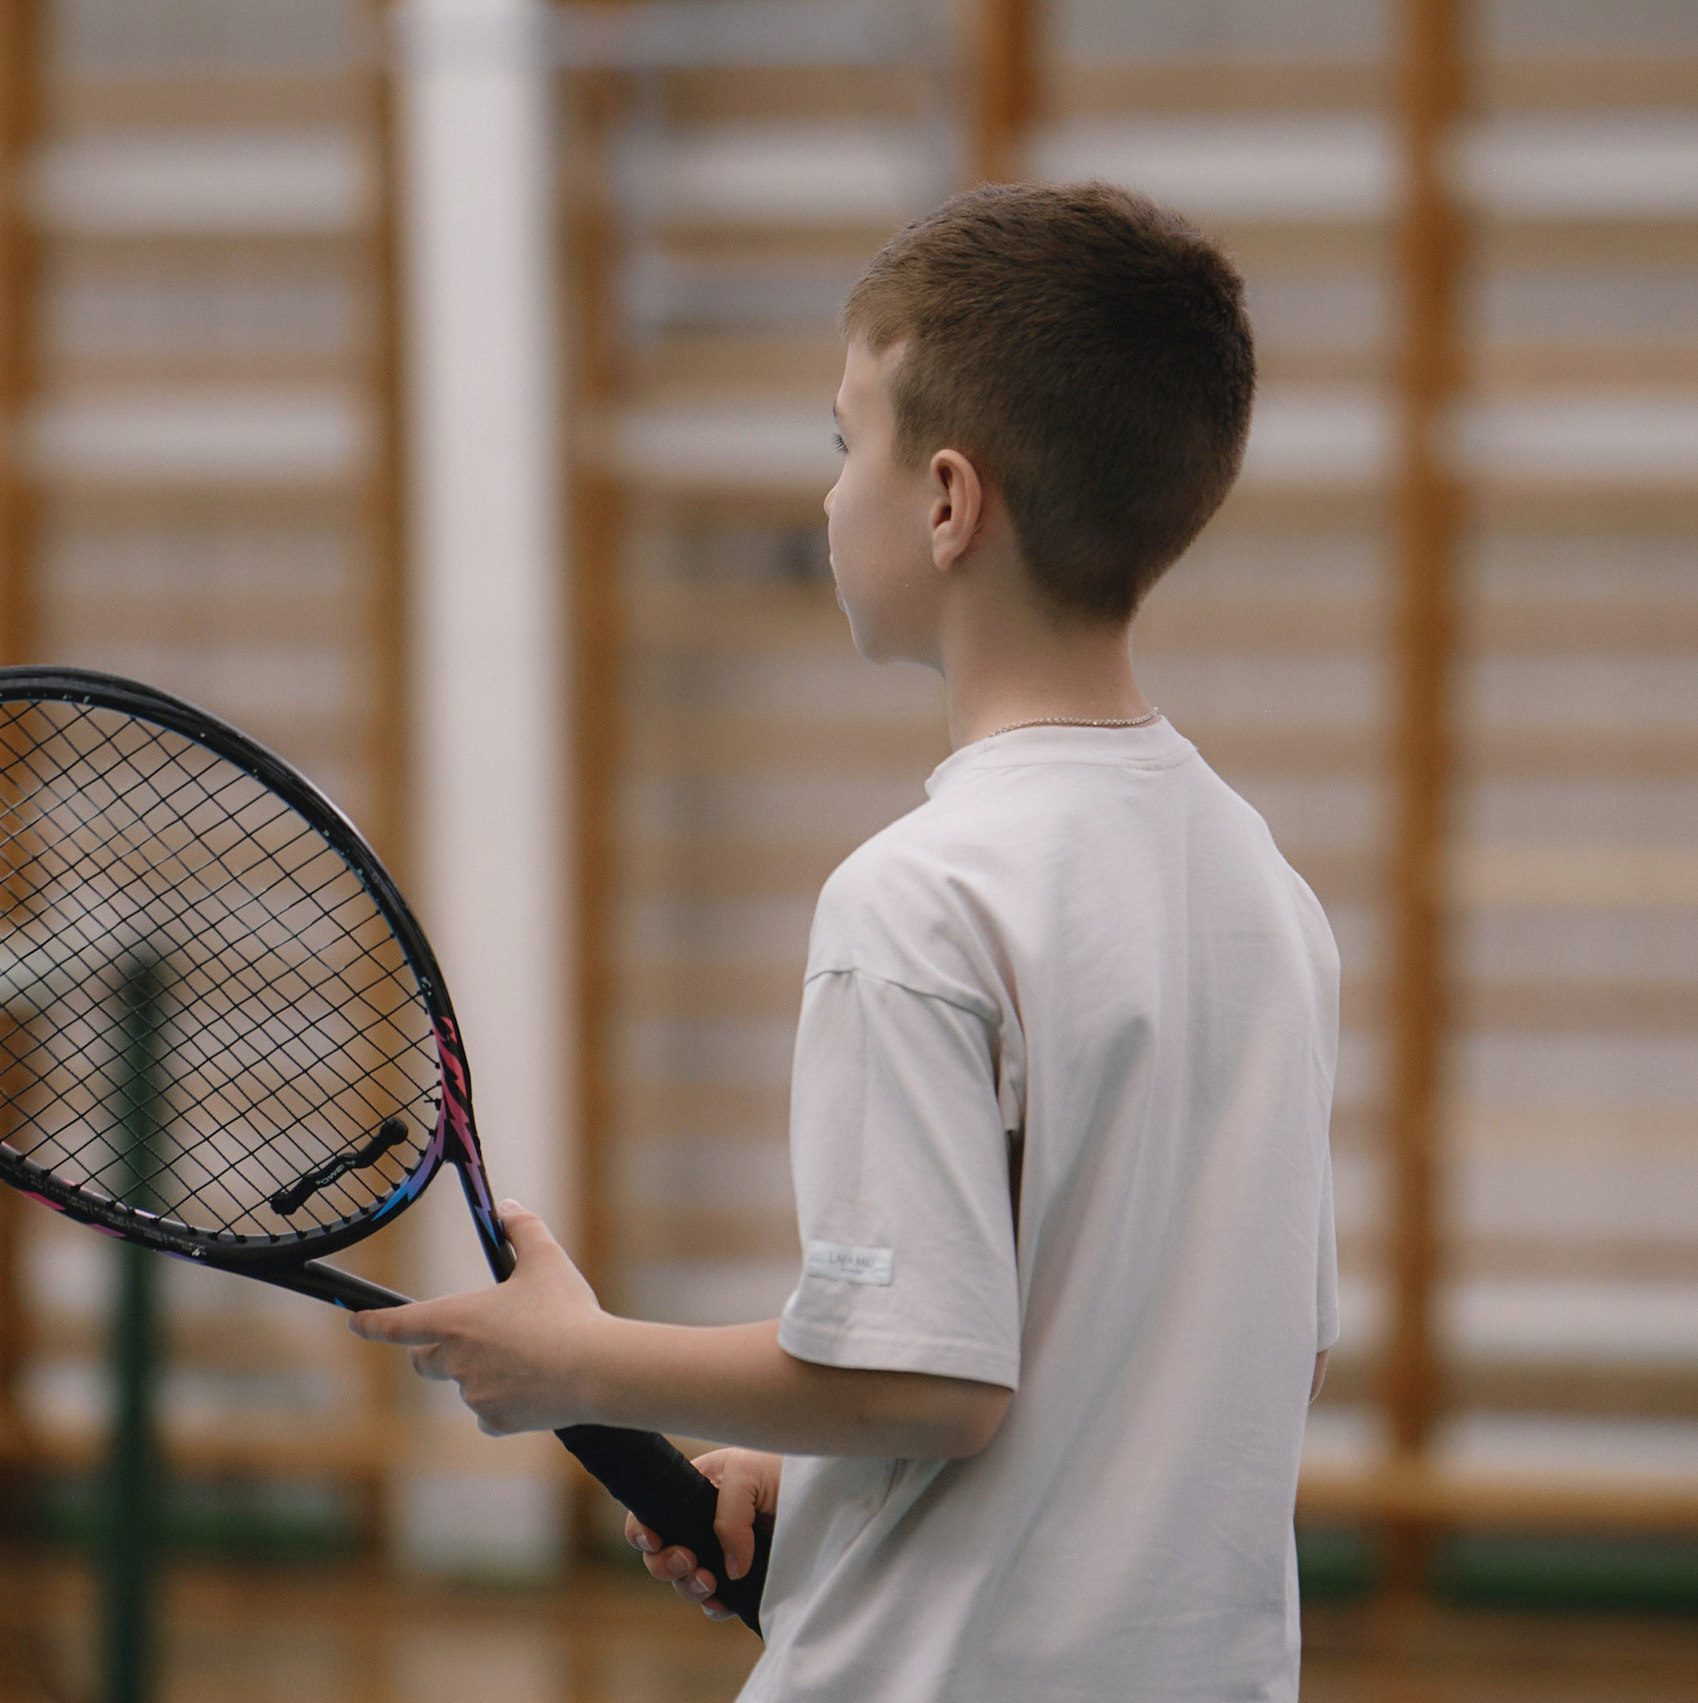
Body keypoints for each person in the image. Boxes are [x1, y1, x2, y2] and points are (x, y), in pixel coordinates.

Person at [350, 180, 1339, 1701]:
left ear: (947, 500)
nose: (826, 498)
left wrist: (582, 1362)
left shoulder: (919, 899)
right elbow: (1133, 1363)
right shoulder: (1268, 892)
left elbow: (927, 1380)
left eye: (843, 443)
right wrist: (815, 1482)